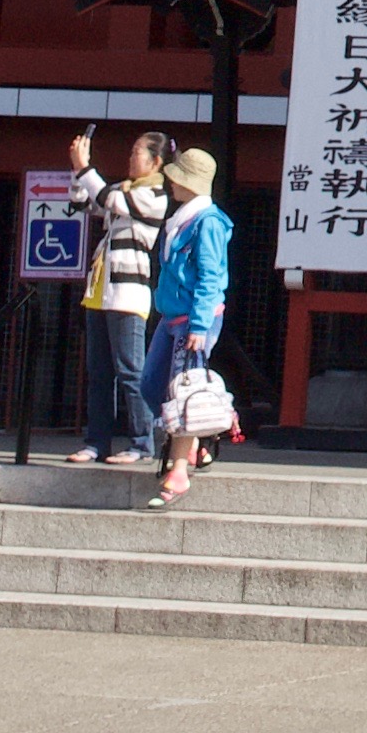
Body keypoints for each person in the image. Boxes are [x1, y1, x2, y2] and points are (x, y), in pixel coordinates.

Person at [65, 120, 177, 465]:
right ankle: (96, 442)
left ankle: (143, 442)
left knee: (131, 371)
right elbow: (84, 202)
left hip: (128, 295)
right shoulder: (126, 189)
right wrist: (78, 172)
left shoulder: (153, 195)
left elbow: (107, 197)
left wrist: (85, 167)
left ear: (156, 161)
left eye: (137, 152)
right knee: (99, 373)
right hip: (101, 291)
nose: (131, 157)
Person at [146, 144, 239, 504]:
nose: (171, 184)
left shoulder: (207, 222)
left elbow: (210, 277)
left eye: (176, 178)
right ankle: (196, 444)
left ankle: (179, 471)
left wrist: (199, 326)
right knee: (152, 383)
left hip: (192, 320)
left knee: (183, 393)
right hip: (173, 315)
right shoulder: (186, 217)